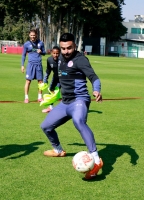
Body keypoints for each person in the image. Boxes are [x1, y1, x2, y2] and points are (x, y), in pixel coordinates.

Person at [40, 33, 103, 180]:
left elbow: (94, 77)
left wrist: (97, 89)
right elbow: (58, 76)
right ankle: (58, 150)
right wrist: (52, 89)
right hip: (65, 102)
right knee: (46, 126)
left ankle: (96, 160)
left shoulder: (80, 59)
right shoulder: (60, 58)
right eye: (63, 48)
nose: (66, 51)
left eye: (69, 48)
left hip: (79, 100)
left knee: (79, 121)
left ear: (74, 45)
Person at [21, 29, 46, 103]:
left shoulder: (41, 43)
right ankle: (26, 98)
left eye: (34, 35)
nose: (33, 37)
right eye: (31, 35)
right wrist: (22, 65)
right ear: (29, 35)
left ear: (36, 35)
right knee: (28, 81)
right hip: (30, 65)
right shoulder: (26, 44)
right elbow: (23, 55)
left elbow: (44, 53)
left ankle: (39, 97)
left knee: (40, 82)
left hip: (38, 64)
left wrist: (41, 52)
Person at [41, 46, 61, 113]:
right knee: (51, 91)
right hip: (55, 77)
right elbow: (48, 70)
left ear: (60, 53)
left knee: (64, 92)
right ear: (51, 53)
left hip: (64, 78)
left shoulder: (62, 59)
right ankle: (50, 107)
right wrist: (45, 79)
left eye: (57, 53)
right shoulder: (49, 60)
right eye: (54, 53)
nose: (56, 55)